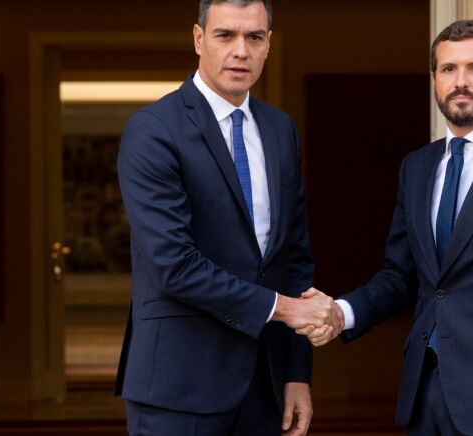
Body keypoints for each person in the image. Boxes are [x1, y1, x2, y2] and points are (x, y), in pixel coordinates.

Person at [301, 20, 473, 436]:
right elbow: (401, 276)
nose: (460, 81)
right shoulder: (417, 167)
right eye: (448, 69)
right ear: (435, 79)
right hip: (423, 397)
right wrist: (342, 313)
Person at [114, 1, 335, 435]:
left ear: (268, 45)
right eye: (225, 35)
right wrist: (286, 309)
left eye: (254, 37)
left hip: (264, 384)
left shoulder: (280, 130)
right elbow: (174, 265)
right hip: (178, 386)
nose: (241, 51)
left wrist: (296, 373)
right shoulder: (153, 130)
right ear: (199, 39)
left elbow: (293, 258)